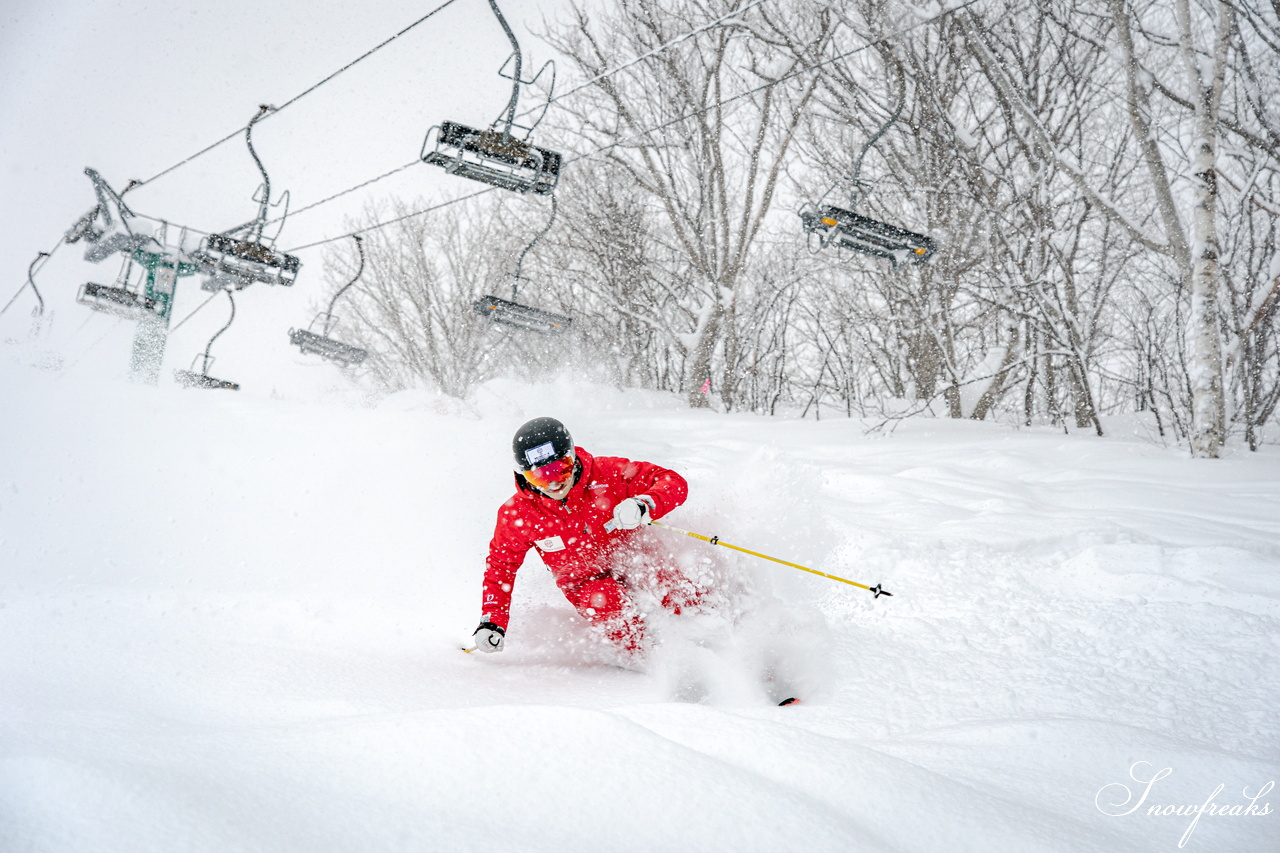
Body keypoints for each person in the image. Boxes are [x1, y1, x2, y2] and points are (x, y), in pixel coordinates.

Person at [472, 416, 702, 656]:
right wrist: (492, 621)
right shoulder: (518, 514)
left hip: (636, 558)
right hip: (586, 582)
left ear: (572, 458)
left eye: (560, 470)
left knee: (668, 584)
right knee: (605, 601)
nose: (552, 484)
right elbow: (501, 567)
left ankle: (707, 631)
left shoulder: (607, 474)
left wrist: (645, 503)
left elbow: (672, 482)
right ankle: (650, 658)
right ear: (523, 475)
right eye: (539, 476)